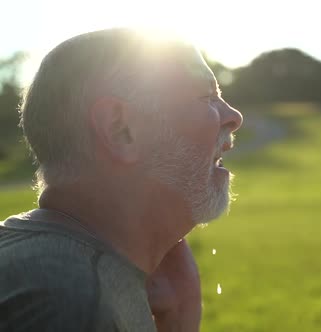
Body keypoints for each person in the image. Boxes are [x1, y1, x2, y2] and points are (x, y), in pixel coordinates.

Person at [0, 28, 243, 331]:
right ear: (120, 129)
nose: (234, 116)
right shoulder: (73, 303)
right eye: (207, 96)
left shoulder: (54, 270)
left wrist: (179, 320)